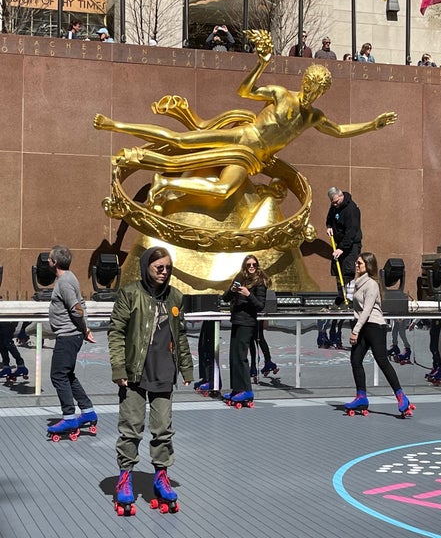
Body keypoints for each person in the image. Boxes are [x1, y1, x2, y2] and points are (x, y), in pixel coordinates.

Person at [94, 30, 397, 211]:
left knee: (224, 189)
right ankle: (114, 125)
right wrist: (261, 64)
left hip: (252, 159)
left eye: (317, 91)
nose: (311, 92)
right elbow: (245, 90)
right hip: (241, 137)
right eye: (309, 86)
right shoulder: (280, 94)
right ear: (304, 82)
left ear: (321, 93)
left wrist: (373, 124)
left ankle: (163, 183)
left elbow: (341, 131)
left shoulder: (312, 116)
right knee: (179, 141)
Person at [108, 246, 193, 514]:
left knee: (163, 430)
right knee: (131, 428)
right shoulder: (130, 293)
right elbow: (116, 331)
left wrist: (187, 370)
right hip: (134, 373)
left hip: (164, 373)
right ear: (147, 267)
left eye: (168, 268)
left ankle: (160, 477)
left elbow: (180, 337)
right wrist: (119, 369)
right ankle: (125, 479)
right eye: (159, 268)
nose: (164, 272)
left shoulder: (175, 297)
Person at [344, 252, 413, 417]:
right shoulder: (357, 283)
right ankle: (361, 396)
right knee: (355, 360)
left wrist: (355, 331)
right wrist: (354, 276)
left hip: (374, 326)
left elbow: (367, 310)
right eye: (356, 262)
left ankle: (401, 397)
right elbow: (347, 297)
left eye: (359, 263)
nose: (356, 265)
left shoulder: (372, 285)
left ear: (367, 266)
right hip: (362, 326)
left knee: (382, 361)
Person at [46, 245, 97, 437]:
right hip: (71, 335)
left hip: (67, 336)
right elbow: (81, 303)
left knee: (58, 376)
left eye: (49, 259)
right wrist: (85, 329)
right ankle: (87, 411)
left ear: (55, 262)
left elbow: (77, 308)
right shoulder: (70, 277)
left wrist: (84, 328)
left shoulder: (64, 282)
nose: (47, 261)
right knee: (67, 375)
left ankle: (69, 418)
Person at [222, 254, 269, 406]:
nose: (251, 267)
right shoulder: (240, 278)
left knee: (241, 356)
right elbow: (225, 298)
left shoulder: (260, 283)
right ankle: (237, 388)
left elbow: (260, 306)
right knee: (233, 356)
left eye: (254, 264)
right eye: (248, 264)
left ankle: (247, 390)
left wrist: (248, 294)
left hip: (248, 323)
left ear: (257, 266)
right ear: (244, 266)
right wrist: (232, 289)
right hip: (236, 320)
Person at [324, 187, 362, 348]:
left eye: (336, 201)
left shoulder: (351, 209)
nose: (335, 205)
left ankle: (348, 300)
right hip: (339, 244)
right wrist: (328, 226)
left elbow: (351, 232)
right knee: (337, 272)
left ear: (341, 196)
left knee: (347, 272)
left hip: (350, 246)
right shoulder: (335, 206)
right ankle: (341, 297)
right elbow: (329, 218)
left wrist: (342, 248)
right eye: (333, 203)